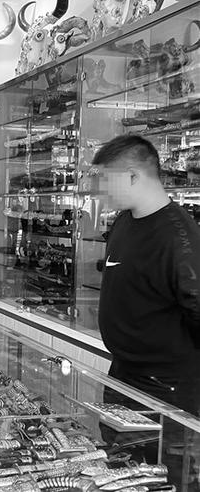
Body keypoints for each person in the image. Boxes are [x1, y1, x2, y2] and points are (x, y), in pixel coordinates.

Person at [93, 134, 200, 490]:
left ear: (133, 176)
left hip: (167, 392)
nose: (100, 190)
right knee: (122, 476)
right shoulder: (124, 222)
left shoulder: (179, 236)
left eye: (106, 179)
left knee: (165, 478)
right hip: (123, 377)